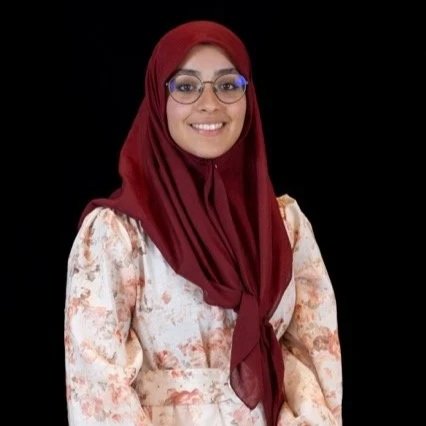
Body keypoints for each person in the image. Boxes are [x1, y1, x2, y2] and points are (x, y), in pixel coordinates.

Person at [64, 20, 343, 426]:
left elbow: (315, 359)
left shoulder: (285, 226)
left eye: (228, 85)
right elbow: (97, 389)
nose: (210, 103)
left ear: (248, 97)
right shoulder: (117, 235)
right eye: (186, 86)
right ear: (159, 99)